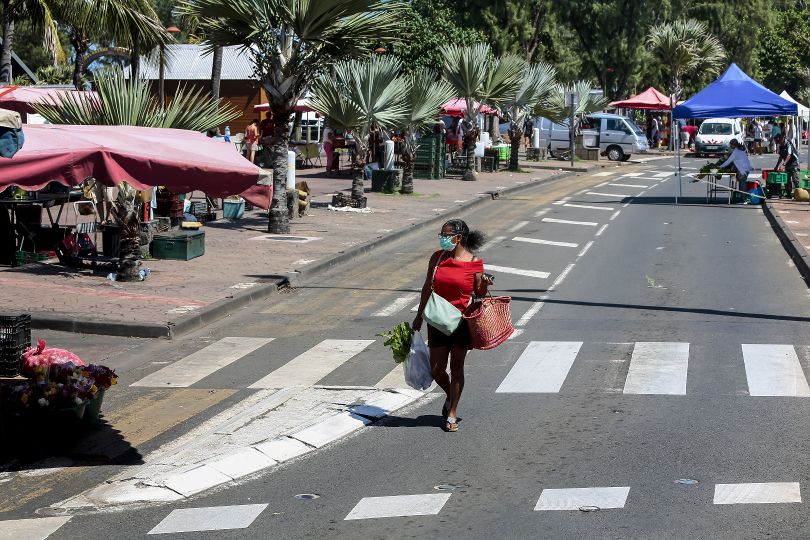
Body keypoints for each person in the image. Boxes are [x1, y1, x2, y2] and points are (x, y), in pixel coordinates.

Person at [412, 219, 492, 433]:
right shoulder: (437, 258)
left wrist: (484, 283)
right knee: (437, 369)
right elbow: (427, 287)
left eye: (447, 235)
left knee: (456, 367)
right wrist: (419, 315)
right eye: (441, 235)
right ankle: (450, 396)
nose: (443, 239)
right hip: (437, 319)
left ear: (459, 238)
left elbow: (480, 294)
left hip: (460, 322)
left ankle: (452, 412)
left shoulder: (474, 262)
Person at [774, 132, 800, 198]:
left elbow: (789, 155)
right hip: (787, 164)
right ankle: (788, 194)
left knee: (795, 179)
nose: (778, 142)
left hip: (794, 163)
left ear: (782, 139)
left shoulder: (788, 144)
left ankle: (798, 194)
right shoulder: (780, 146)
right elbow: (780, 157)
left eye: (779, 141)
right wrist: (776, 166)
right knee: (787, 179)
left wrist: (783, 164)